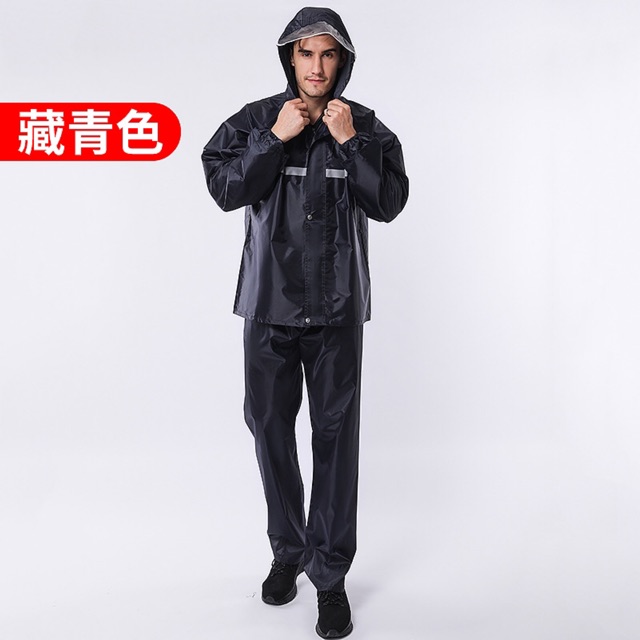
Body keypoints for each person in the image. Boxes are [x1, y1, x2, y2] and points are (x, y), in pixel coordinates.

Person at [201, 7, 408, 638]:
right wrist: (273, 138)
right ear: (289, 58)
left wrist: (350, 144)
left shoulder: (365, 127)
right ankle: (287, 552)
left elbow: (389, 202)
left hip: (337, 311)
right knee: (270, 433)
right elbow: (225, 189)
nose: (316, 66)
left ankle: (331, 576)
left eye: (328, 54)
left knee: (335, 442)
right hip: (268, 306)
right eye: (306, 53)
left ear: (343, 61)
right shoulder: (256, 119)